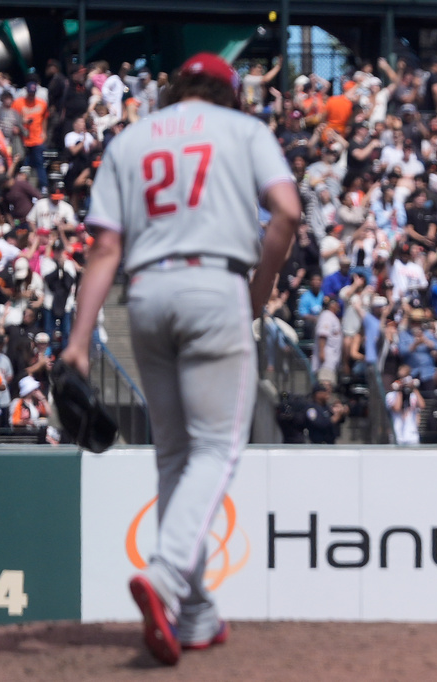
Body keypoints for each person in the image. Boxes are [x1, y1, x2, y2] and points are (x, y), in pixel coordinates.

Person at [59, 53, 302, 665]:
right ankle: (167, 581)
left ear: (174, 91)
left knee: (174, 456)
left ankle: (194, 613)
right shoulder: (244, 130)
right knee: (216, 450)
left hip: (145, 295)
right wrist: (258, 288)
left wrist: (78, 343)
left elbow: (106, 246)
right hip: (214, 285)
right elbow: (288, 212)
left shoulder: (132, 139)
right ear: (230, 94)